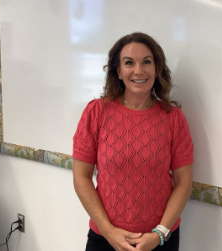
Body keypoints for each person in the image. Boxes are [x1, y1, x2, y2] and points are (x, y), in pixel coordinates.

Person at [73, 32, 194, 251]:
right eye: (129, 63)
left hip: (160, 240)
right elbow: (81, 177)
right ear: (118, 71)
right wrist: (110, 233)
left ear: (156, 68)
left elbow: (183, 183)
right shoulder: (96, 113)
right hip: (105, 239)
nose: (138, 71)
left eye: (146, 62)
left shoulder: (173, 119)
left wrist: (159, 234)